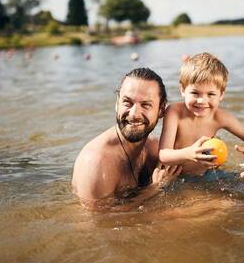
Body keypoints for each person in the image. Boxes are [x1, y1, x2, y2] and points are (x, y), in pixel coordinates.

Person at [72, 68, 181, 210]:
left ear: (161, 110)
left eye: (146, 105)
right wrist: (153, 190)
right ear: (117, 104)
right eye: (127, 102)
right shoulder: (96, 161)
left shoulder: (156, 149)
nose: (134, 113)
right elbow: (96, 224)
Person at [159, 52, 244, 178]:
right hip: (176, 177)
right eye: (195, 93)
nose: (202, 101)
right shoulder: (174, 112)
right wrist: (189, 153)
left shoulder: (219, 117)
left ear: (221, 95)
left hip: (206, 175)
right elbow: (163, 155)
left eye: (210, 94)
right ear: (182, 90)